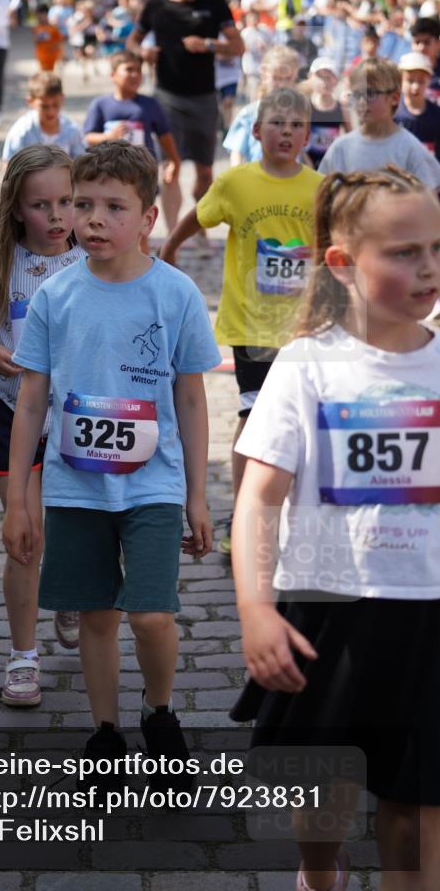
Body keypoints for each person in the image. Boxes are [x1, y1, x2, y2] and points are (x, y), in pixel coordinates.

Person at [230, 166, 440, 891]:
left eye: (435, 249)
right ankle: (318, 874)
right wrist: (256, 610)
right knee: (321, 801)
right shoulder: (306, 365)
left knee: (416, 812)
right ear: (343, 264)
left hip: (428, 615)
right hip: (328, 610)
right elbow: (258, 496)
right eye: (404, 252)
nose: (428, 267)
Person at [2, 141, 220, 777]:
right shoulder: (55, 297)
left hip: (153, 484)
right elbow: (33, 401)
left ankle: (159, 710)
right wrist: (20, 498)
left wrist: (197, 494)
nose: (91, 219)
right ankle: (105, 731)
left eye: (112, 207)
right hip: (75, 487)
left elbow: (192, 398)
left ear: (149, 218)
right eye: (81, 204)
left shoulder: (175, 294)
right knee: (96, 615)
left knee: (152, 615)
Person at [0, 145, 84, 707]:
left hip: (79, 418)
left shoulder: (91, 259)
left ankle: (71, 593)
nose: (56, 217)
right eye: (41, 205)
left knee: (74, 533)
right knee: (25, 538)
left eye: (67, 202)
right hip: (10, 412)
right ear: (16, 209)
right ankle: (23, 657)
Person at [160, 88, 322, 554]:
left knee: (300, 421)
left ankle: (291, 511)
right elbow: (200, 215)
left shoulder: (317, 188)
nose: (286, 133)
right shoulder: (237, 183)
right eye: (277, 124)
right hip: (251, 325)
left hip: (302, 327)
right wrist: (170, 247)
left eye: (296, 126)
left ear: (307, 134)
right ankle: (243, 511)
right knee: (254, 415)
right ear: (256, 132)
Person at [127, 0, 244, 241]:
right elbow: (132, 40)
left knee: (205, 170)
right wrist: (142, 52)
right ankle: (172, 233)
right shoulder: (156, 6)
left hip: (204, 96)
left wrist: (208, 45)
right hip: (167, 96)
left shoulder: (215, 4)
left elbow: (238, 46)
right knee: (170, 167)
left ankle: (198, 223)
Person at [319, 58, 440, 190]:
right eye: (356, 93)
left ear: (394, 98)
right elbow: (321, 191)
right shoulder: (341, 148)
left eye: (370, 93)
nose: (361, 101)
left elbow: (430, 197)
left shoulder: (409, 148)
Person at [83, 51, 181, 184]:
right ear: (113, 75)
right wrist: (109, 137)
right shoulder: (100, 104)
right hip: (109, 173)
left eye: (139, 70)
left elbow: (164, 135)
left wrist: (174, 160)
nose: (135, 75)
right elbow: (88, 138)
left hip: (142, 173)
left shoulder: (150, 104)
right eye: (129, 70)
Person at [223, 45, 300, 166]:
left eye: (287, 79)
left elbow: (303, 153)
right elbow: (237, 153)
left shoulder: (300, 114)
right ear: (265, 76)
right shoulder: (250, 113)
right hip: (257, 179)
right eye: (276, 78)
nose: (281, 84)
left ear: (295, 76)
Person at [2, 73, 85, 166]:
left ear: (62, 98)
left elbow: (81, 166)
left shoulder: (72, 130)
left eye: (55, 105)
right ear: (30, 101)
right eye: (44, 106)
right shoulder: (21, 132)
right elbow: (9, 167)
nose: (51, 111)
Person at [305, 57, 350, 170]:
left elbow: (351, 137)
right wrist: (307, 163)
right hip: (307, 165)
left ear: (335, 80)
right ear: (311, 78)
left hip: (332, 166)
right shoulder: (306, 107)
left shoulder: (341, 108)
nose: (324, 82)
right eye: (320, 77)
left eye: (328, 77)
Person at [395, 52, 440, 161]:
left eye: (421, 81)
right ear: (400, 80)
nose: (415, 86)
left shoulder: (436, 115)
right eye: (410, 80)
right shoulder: (393, 113)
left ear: (428, 81)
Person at [410, 16, 440, 105]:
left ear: (438, 43)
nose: (421, 48)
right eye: (417, 42)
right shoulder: (404, 72)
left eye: (427, 42)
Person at [31, 4, 64, 73]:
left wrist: (53, 48)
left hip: (53, 57)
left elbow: (60, 42)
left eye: (41, 15)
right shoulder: (36, 28)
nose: (39, 17)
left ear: (46, 14)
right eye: (37, 15)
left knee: (52, 76)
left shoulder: (53, 28)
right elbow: (35, 41)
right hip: (41, 56)